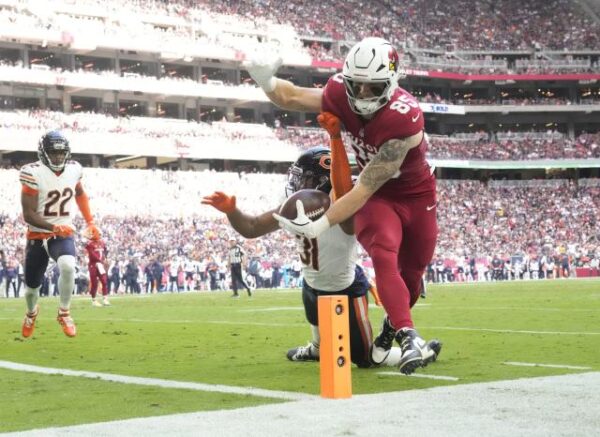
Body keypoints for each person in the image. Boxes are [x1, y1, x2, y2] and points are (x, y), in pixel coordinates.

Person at [245, 37, 439, 374]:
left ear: (391, 83)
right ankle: (409, 337)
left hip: (413, 194)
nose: (361, 94)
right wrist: (266, 81)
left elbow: (363, 188)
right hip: (380, 198)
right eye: (356, 84)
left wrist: (320, 224)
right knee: (383, 253)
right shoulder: (339, 93)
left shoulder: (403, 117)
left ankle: (390, 333)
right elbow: (289, 96)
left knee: (413, 273)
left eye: (371, 86)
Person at [202, 146, 440, 369]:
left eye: (303, 178)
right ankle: (317, 348)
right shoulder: (294, 207)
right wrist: (232, 212)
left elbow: (347, 207)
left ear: (321, 181)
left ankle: (422, 351)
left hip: (345, 289)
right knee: (316, 317)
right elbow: (251, 227)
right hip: (311, 285)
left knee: (365, 358)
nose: (296, 183)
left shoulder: (344, 208)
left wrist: (335, 139)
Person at [20, 130, 101, 338]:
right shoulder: (32, 173)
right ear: (43, 153)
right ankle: (31, 313)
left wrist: (90, 222)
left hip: (63, 233)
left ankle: (64, 312)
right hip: (38, 236)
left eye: (61, 153)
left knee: (67, 266)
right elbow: (28, 214)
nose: (58, 157)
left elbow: (80, 194)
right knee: (31, 290)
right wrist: (53, 227)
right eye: (53, 153)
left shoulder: (74, 170)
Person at [84, 235, 110, 306]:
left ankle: (105, 298)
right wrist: (101, 260)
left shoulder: (102, 243)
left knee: (104, 281)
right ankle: (94, 300)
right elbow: (92, 255)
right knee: (94, 283)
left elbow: (105, 251)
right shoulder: (90, 244)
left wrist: (106, 258)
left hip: (100, 264)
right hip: (93, 264)